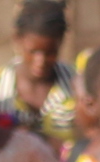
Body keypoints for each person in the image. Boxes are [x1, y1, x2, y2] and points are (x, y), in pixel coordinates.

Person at [7, 0, 83, 151]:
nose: (40, 61)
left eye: (50, 53)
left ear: (60, 42)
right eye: (33, 52)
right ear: (18, 40)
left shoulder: (77, 85)